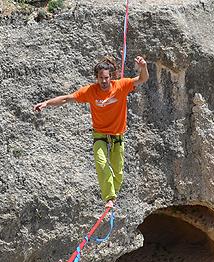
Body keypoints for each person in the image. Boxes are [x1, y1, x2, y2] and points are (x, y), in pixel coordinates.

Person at [34, 55, 149, 207]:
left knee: (118, 171)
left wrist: (144, 66)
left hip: (117, 135)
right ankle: (109, 197)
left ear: (111, 77)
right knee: (101, 163)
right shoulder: (90, 91)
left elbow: (142, 79)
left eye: (106, 77)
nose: (104, 81)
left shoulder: (121, 85)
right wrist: (46, 103)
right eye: (100, 78)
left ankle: (113, 194)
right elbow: (67, 98)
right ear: (96, 78)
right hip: (100, 134)